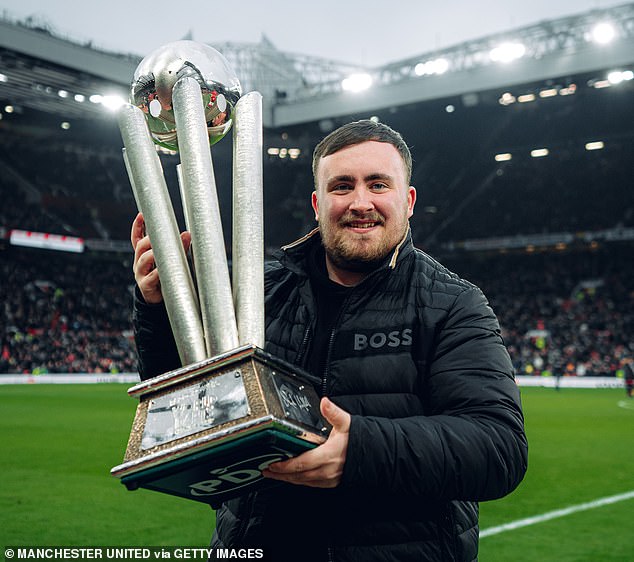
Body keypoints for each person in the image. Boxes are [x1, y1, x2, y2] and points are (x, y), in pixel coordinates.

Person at [131, 120, 528, 561]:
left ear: (408, 200)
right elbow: (189, 411)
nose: (361, 202)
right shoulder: (255, 293)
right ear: (318, 203)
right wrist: (159, 310)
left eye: (378, 184)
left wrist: (359, 450)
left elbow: (498, 448)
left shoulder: (453, 304)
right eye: (342, 186)